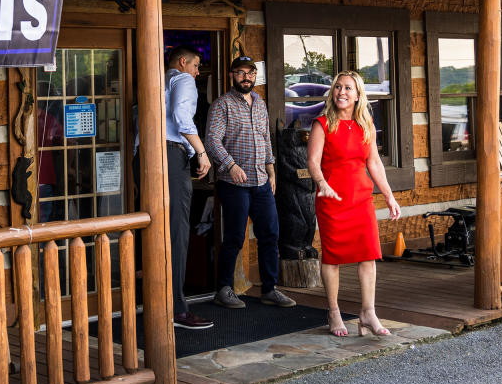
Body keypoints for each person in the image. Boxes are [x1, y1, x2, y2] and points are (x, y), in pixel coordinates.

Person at [306, 70, 402, 337]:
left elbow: (374, 163)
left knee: (368, 255)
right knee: (333, 257)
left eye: (348, 88)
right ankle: (334, 313)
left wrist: (389, 196)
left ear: (358, 95)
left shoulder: (365, 124)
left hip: (361, 198)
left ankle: (367, 313)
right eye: (338, 87)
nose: (342, 92)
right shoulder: (322, 123)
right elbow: (313, 161)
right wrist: (322, 183)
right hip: (331, 199)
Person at [206, 56, 297, 310]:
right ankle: (223, 289)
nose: (246, 77)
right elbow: (212, 141)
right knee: (234, 236)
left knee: (270, 233)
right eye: (241, 72)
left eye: (250, 72)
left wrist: (271, 170)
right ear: (232, 75)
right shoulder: (221, 105)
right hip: (233, 182)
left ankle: (270, 289)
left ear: (256, 75)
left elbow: (265, 138)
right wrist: (231, 166)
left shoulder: (259, 103)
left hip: (261, 181)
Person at [161, 45, 214, 330]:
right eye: (196, 65)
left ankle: (162, 302)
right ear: (183, 62)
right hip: (171, 154)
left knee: (159, 227)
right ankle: (178, 309)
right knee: (178, 229)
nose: (197, 71)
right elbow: (182, 119)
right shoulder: (183, 80)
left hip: (146, 155)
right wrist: (202, 152)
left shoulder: (157, 79)